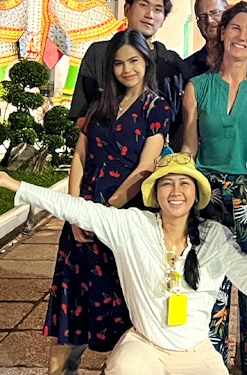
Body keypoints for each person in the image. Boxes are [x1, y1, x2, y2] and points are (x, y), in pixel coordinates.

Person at [0, 154, 247, 375]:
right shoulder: (133, 226)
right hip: (144, 348)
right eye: (167, 184)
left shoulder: (215, 237)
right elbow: (76, 209)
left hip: (196, 350)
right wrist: (15, 184)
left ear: (196, 194)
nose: (176, 191)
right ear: (155, 194)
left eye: (185, 183)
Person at [44, 30, 172, 374]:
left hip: (123, 220)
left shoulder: (156, 108)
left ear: (146, 62)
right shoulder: (100, 104)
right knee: (72, 302)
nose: (126, 69)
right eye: (118, 63)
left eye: (134, 61)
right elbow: (80, 157)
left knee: (123, 303)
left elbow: (146, 168)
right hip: (83, 218)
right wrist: (74, 212)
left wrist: (104, 213)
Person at [179, 0, 247, 374]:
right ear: (221, 32)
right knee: (208, 287)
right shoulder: (197, 87)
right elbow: (190, 144)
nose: (242, 37)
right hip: (208, 195)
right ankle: (206, 366)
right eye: (235, 28)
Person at [70, 0, 187, 145]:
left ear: (163, 19)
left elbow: (181, 121)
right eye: (144, 5)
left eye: (158, 9)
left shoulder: (172, 63)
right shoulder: (99, 53)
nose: (150, 14)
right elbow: (82, 114)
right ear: (127, 9)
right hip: (105, 153)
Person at [183, 0, 228, 79]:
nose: (209, 20)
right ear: (198, 23)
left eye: (215, 13)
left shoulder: (243, 61)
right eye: (203, 16)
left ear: (227, 14)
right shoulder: (187, 68)